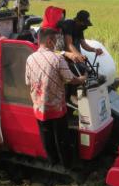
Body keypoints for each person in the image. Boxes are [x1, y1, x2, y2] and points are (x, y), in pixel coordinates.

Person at [25, 28, 87, 167]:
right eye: (54, 41)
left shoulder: (30, 58)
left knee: (46, 135)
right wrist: (82, 79)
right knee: (61, 137)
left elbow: (28, 82)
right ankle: (66, 164)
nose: (55, 44)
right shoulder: (57, 58)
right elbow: (70, 79)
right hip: (56, 107)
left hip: (39, 107)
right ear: (49, 41)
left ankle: (52, 161)